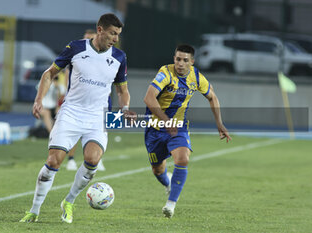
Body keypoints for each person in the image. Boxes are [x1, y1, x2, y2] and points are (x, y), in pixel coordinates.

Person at [20, 13, 134, 223]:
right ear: (100, 30)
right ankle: (34, 211)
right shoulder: (76, 48)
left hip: (98, 117)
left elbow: (122, 90)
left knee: (93, 160)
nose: (115, 39)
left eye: (118, 34)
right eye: (112, 33)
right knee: (54, 161)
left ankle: (69, 201)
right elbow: (49, 73)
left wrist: (125, 108)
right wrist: (39, 100)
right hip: (71, 112)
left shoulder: (119, 57)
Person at [143, 44, 231, 218]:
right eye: (177, 59)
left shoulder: (196, 77)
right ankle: (168, 184)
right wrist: (165, 121)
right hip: (155, 129)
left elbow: (212, 96)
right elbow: (149, 97)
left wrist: (219, 123)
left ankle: (171, 204)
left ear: (192, 61)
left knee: (182, 159)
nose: (180, 64)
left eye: (185, 60)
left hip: (178, 128)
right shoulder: (166, 73)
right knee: (157, 170)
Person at [65, 28, 106, 172]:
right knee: (76, 131)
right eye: (85, 38)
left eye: (89, 38)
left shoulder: (106, 58)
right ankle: (71, 159)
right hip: (78, 102)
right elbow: (67, 74)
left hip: (100, 102)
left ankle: (97, 159)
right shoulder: (77, 55)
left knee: (101, 130)